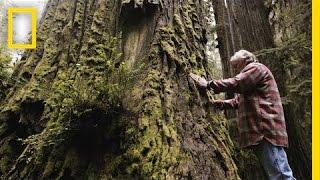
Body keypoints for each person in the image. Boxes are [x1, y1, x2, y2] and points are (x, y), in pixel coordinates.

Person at [190, 50, 295, 180]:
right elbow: (238, 101)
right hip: (261, 131)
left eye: (236, 65)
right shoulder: (251, 78)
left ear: (245, 59)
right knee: (276, 173)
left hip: (265, 130)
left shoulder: (256, 68)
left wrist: (209, 84)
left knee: (280, 174)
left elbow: (237, 82)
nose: (236, 70)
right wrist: (220, 103)